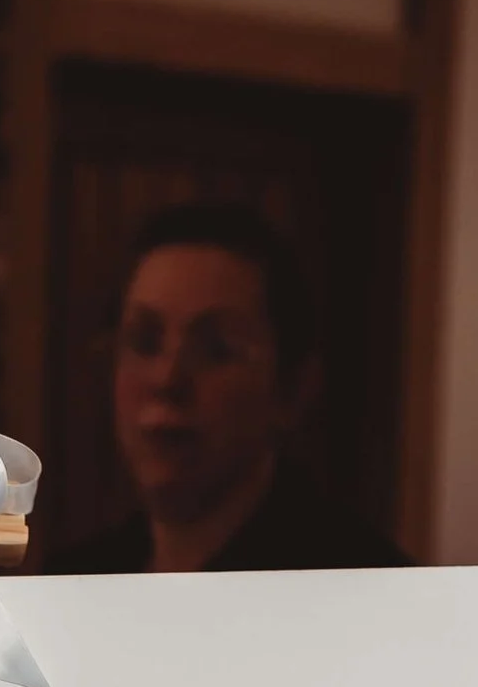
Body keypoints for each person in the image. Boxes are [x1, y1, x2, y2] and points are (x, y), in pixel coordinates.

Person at [79, 199, 407, 573]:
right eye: (144, 341)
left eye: (216, 350)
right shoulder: (73, 582)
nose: (167, 379)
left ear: (292, 390)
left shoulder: (364, 587)